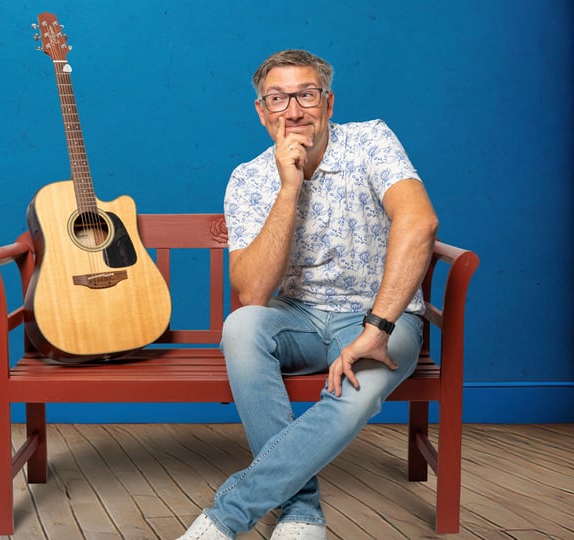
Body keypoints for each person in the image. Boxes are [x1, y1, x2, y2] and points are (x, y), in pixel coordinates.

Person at [178, 50, 439, 540]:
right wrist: (288, 188)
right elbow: (253, 293)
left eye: (306, 95)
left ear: (329, 102)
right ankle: (302, 512)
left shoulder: (371, 141)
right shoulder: (249, 178)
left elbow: (419, 220)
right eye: (278, 99)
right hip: (297, 318)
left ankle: (228, 516)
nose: (293, 111)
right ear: (261, 111)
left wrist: (377, 327)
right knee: (241, 326)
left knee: (353, 395)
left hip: (379, 316)